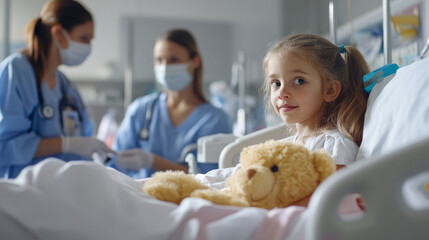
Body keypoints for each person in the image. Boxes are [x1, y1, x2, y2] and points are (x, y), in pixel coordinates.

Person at [196, 33, 370, 206]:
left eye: (299, 81)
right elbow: (238, 174)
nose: (282, 93)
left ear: (330, 90)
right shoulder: (287, 147)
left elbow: (331, 199)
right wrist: (197, 183)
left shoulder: (333, 145)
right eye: (276, 83)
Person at [0, 0, 115, 179]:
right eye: (84, 38)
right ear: (58, 33)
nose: (88, 47)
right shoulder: (16, 71)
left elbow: (83, 138)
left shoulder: (67, 87)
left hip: (62, 190)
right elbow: (4, 145)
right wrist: (66, 144)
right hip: (22, 191)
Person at [111, 29, 233, 179]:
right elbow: (114, 163)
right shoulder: (141, 110)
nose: (165, 67)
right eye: (159, 60)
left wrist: (152, 161)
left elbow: (213, 177)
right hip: (138, 198)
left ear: (194, 61)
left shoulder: (215, 119)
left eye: (173, 60)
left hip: (189, 200)